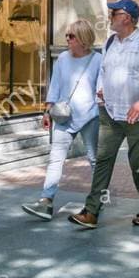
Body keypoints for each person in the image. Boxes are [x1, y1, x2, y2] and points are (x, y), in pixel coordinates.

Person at [68, 0, 139, 229]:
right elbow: (102, 70)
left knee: (137, 165)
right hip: (110, 114)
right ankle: (91, 212)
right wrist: (100, 89)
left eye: (114, 13)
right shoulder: (110, 42)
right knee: (103, 161)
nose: (110, 16)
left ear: (127, 18)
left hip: (136, 117)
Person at [22, 19, 101, 221]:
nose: (67, 39)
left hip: (89, 116)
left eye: (71, 36)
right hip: (63, 117)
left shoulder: (97, 60)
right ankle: (46, 201)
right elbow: (55, 86)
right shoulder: (63, 58)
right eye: (67, 35)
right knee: (55, 159)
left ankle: (96, 202)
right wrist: (47, 111)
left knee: (94, 160)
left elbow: (100, 90)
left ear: (83, 39)